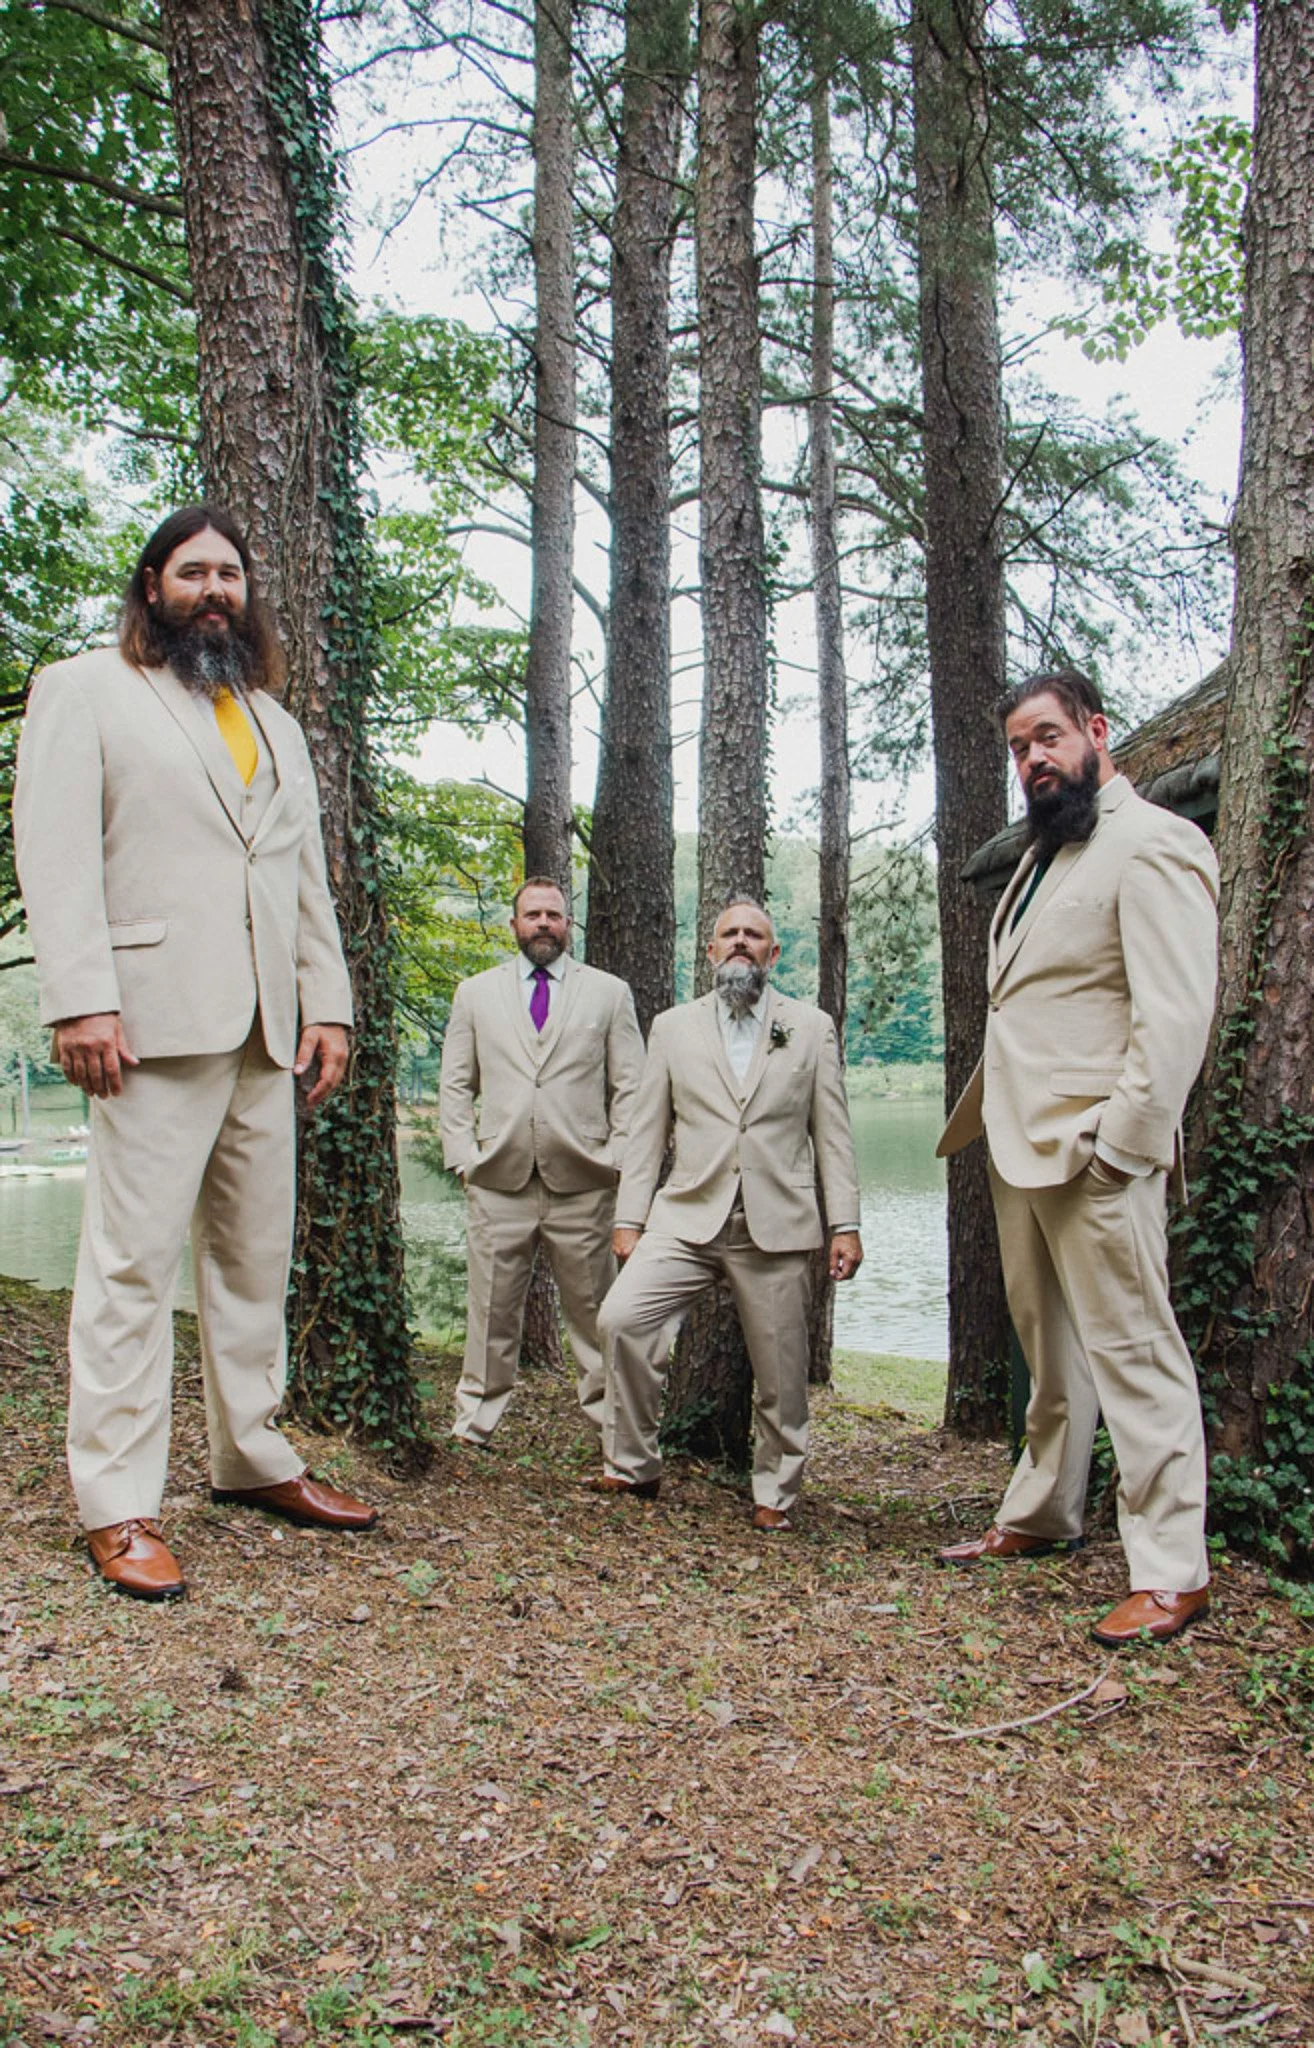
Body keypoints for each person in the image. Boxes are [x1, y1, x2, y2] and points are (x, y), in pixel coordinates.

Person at [13, 505, 378, 1602]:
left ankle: (251, 1454)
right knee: (129, 1268)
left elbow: (305, 877)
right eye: (193, 571)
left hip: (270, 1027)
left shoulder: (271, 720)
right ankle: (117, 1503)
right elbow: (58, 851)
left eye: (230, 571)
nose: (214, 588)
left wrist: (331, 1003)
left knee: (253, 1261)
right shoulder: (84, 690)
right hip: (150, 1020)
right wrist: (80, 998)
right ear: (153, 583)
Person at [937, 669, 1219, 1646]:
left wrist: (1121, 1144)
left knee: (1136, 1351)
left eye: (1048, 737)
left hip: (1098, 1149)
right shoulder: (1042, 855)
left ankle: (1173, 1571)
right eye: (1020, 748)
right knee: (1049, 1349)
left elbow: (1175, 1016)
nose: (1034, 760)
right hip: (1019, 1142)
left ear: (1097, 731)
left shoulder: (1155, 845)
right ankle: (1044, 1508)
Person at [593, 899, 863, 1530]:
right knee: (622, 1319)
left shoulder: (811, 1026)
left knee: (781, 1372)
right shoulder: (672, 1027)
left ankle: (775, 1492)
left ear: (772, 954)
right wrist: (629, 1218)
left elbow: (834, 1134)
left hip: (777, 1225)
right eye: (729, 935)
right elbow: (646, 1130)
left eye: (754, 936)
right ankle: (633, 1464)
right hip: (685, 1218)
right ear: (710, 952)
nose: (741, 943)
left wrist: (843, 1222)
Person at [438, 878, 645, 1443]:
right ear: (514, 925)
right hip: (498, 1181)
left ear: (568, 923)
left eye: (553, 914)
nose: (543, 923)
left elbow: (632, 1086)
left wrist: (617, 1157)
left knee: (594, 1312)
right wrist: (464, 1158)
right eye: (532, 914)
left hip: (583, 1183)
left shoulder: (608, 993)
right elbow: (455, 1086)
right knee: (489, 1314)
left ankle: (614, 1426)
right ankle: (474, 1422)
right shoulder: (475, 994)